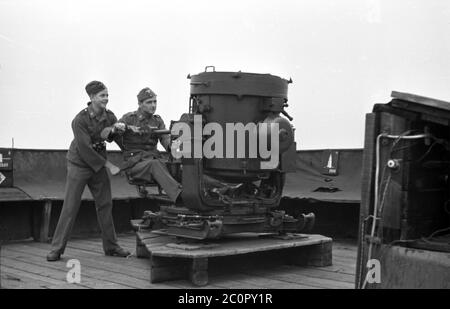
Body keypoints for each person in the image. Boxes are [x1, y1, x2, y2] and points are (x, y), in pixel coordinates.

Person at [46, 81, 130, 262]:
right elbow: (85, 149)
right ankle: (56, 249)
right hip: (79, 164)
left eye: (107, 95)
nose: (106, 99)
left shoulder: (109, 116)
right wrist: (110, 166)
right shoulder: (80, 120)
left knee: (105, 204)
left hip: (97, 165)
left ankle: (111, 246)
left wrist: (121, 135)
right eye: (102, 96)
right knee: (70, 206)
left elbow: (112, 138)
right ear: (91, 98)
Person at [114, 87, 183, 203]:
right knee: (155, 164)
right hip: (136, 165)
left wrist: (175, 147)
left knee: (179, 166)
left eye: (155, 102)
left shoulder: (157, 121)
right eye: (149, 102)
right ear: (140, 104)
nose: (153, 105)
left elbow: (165, 138)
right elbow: (115, 131)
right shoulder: (129, 119)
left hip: (154, 161)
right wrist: (118, 128)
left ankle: (214, 188)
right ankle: (179, 196)